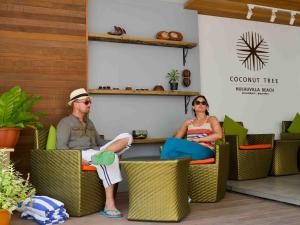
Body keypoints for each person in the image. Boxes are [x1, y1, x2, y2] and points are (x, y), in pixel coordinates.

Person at [56, 88, 132, 218]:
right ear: (75, 103)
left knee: (127, 136)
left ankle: (100, 157)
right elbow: (61, 148)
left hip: (96, 151)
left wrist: (115, 142)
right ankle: (110, 204)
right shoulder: (65, 123)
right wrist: (79, 160)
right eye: (86, 102)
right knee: (111, 157)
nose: (89, 104)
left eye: (90, 101)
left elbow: (99, 141)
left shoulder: (89, 122)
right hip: (80, 154)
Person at [161, 95, 222, 160]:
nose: (200, 104)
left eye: (203, 103)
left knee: (170, 143)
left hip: (206, 150)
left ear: (206, 107)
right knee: (171, 148)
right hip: (190, 150)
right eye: (197, 103)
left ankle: (161, 165)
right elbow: (176, 139)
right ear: (193, 107)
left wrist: (198, 140)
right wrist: (184, 125)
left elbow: (218, 135)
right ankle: (164, 167)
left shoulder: (211, 119)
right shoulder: (189, 122)